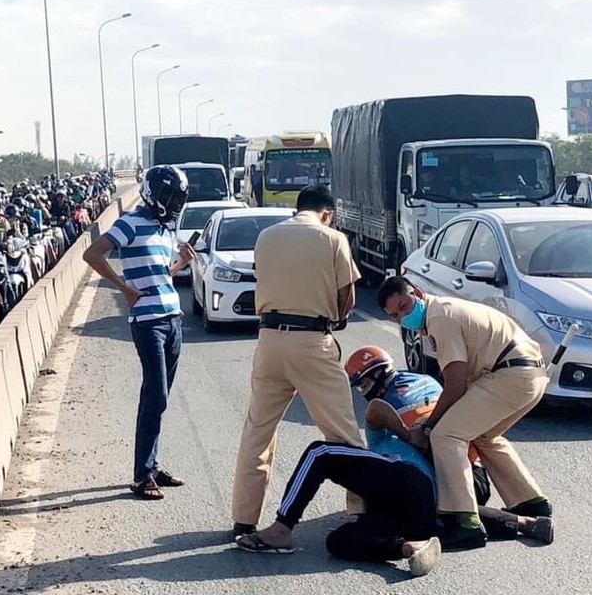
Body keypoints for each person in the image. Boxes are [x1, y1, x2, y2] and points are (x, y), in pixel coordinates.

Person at [236, 346, 553, 566]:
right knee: (339, 542)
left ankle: (282, 529)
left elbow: (375, 411)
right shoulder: (430, 385)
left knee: (321, 453)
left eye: (362, 385)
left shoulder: (392, 396)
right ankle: (419, 545)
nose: (362, 392)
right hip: (459, 486)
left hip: (413, 476)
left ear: (373, 378)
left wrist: (405, 434)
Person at [376, 276, 551, 550]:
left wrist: (428, 426)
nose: (403, 316)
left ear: (418, 293)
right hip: (530, 374)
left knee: (446, 436)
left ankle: (465, 522)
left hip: (511, 374)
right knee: (483, 436)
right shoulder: (445, 309)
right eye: (395, 315)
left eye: (405, 305)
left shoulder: (439, 319)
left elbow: (455, 384)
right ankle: (532, 503)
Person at [231, 183, 364, 539]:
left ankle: (244, 518)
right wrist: (335, 319)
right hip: (312, 341)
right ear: (327, 213)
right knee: (343, 432)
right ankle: (363, 509)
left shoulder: (266, 237)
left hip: (269, 339)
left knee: (258, 430)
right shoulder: (333, 239)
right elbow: (346, 296)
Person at [83, 165, 193, 501]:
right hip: (148, 321)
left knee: (160, 399)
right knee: (154, 395)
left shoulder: (165, 228)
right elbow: (92, 253)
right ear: (154, 195)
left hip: (173, 316)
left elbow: (163, 276)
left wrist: (181, 263)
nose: (174, 203)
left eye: (177, 198)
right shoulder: (130, 223)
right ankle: (141, 475)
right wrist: (123, 289)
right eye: (170, 197)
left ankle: (152, 465)